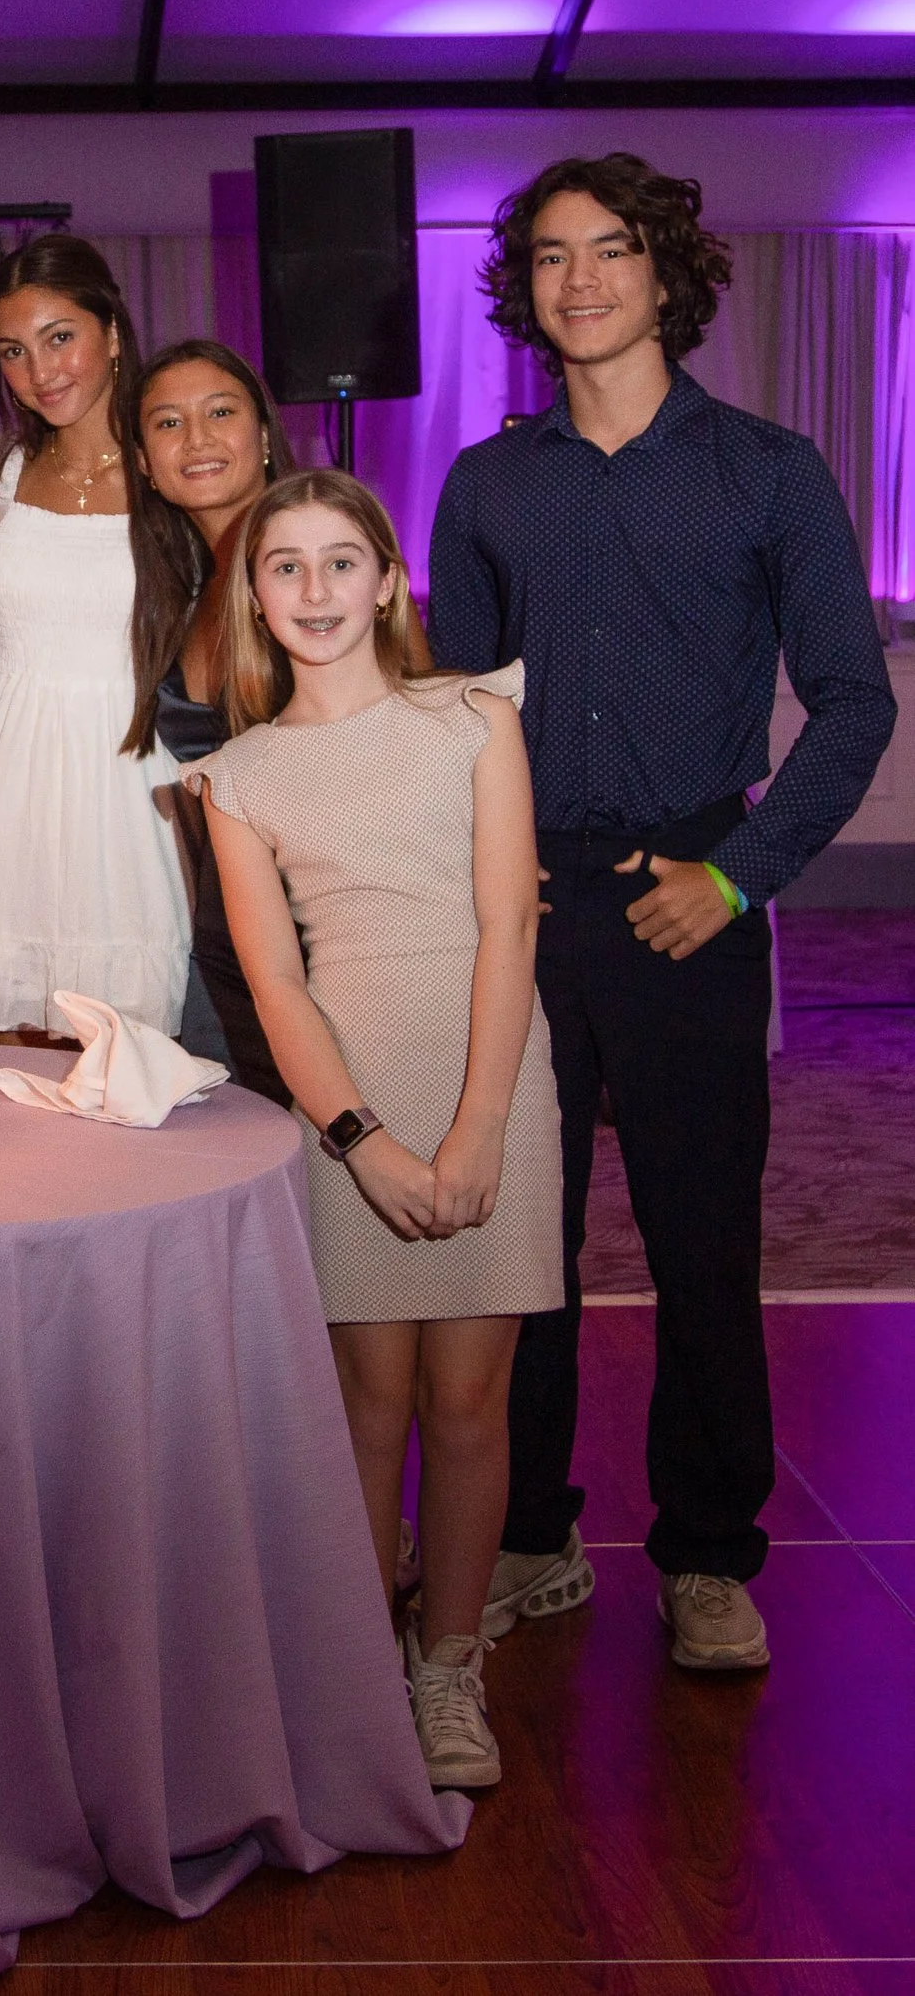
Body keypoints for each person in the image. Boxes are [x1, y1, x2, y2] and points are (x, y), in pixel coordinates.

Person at [431, 153, 897, 1672]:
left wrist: (743, 875)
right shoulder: (488, 481)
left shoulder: (771, 470)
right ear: (526, 289)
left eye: (610, 249)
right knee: (522, 1249)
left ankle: (707, 1555)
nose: (579, 280)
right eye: (552, 256)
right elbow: (455, 711)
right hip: (529, 904)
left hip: (696, 893)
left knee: (705, 1245)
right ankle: (529, 1535)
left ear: (666, 271)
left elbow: (852, 701)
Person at [188, 468, 561, 1791]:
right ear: (252, 597)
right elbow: (276, 985)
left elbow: (510, 922)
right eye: (283, 567)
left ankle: (448, 1663)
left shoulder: (474, 717)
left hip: (491, 1081)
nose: (314, 590)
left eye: (339, 562)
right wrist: (367, 1139)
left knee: (469, 1400)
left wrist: (472, 1131)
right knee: (366, 1403)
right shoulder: (235, 776)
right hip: (343, 1107)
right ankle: (353, 1667)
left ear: (389, 579)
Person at [0, 235, 185, 1042]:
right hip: (14, 772)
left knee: (132, 1046)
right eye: (13, 350)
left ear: (112, 331)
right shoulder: (2, 468)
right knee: (15, 1044)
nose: (40, 371)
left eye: (60, 338)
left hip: (132, 773)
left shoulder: (171, 464)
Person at [129, 337, 299, 1101]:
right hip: (220, 933)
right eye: (167, 423)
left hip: (324, 932)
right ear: (143, 463)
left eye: (220, 413)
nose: (195, 440)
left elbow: (411, 730)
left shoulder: (322, 558)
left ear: (263, 434)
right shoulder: (184, 599)